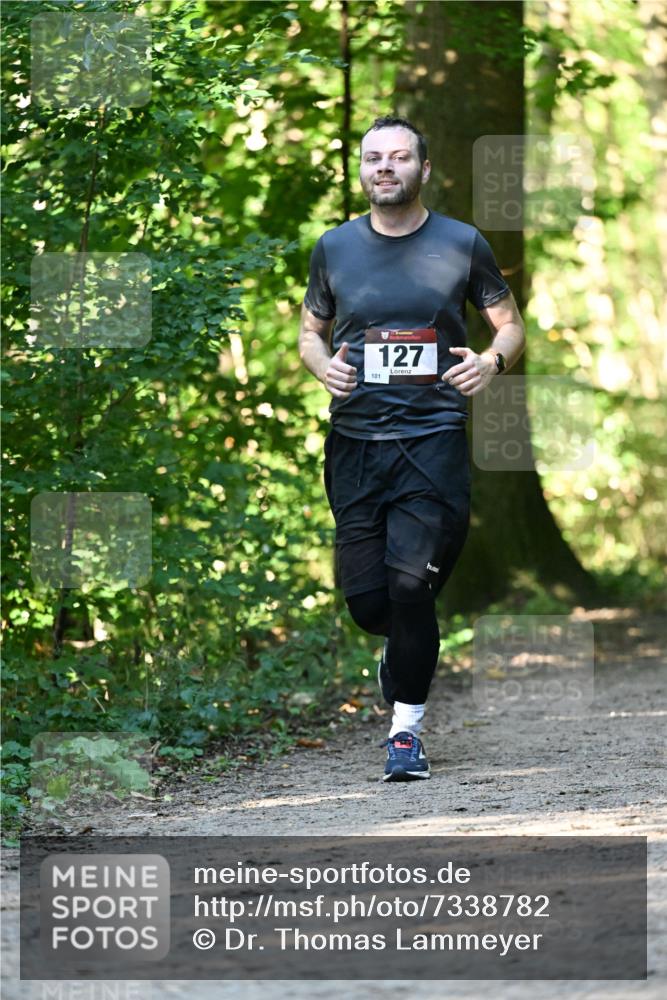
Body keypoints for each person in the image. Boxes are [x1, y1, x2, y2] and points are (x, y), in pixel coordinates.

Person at [298, 116, 525, 782]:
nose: (385, 168)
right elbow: (310, 333)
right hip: (355, 444)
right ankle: (396, 662)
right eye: (373, 158)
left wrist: (490, 364)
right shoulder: (333, 248)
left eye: (399, 158)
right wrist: (322, 368)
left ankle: (405, 734)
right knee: (370, 605)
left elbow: (508, 326)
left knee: (409, 588)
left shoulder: (461, 243)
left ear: (424, 170)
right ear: (362, 170)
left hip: (432, 442)